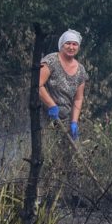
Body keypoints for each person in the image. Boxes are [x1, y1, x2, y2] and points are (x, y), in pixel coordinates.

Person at [37, 29, 87, 201]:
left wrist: (74, 121)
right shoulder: (50, 61)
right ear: (62, 45)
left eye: (75, 44)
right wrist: (51, 105)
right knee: (48, 155)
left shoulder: (80, 70)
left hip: (66, 117)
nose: (71, 47)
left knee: (73, 156)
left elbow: (78, 99)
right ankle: (42, 196)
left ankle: (74, 197)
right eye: (68, 43)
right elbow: (38, 85)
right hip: (46, 116)